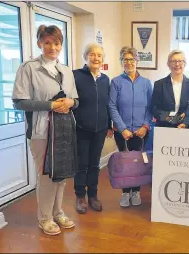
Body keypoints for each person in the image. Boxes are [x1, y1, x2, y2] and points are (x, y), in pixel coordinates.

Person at [12, 25, 78, 235]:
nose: (52, 47)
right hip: (41, 131)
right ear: (39, 43)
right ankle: (45, 218)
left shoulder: (66, 70)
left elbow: (75, 100)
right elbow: (19, 102)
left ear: (61, 45)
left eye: (57, 43)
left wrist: (71, 102)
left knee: (61, 174)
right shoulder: (29, 68)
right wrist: (50, 105)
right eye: (47, 42)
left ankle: (58, 212)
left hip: (64, 129)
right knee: (47, 175)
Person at [108, 46, 153, 208]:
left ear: (137, 61)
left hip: (141, 131)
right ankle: (125, 193)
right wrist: (122, 128)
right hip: (123, 132)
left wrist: (145, 126)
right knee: (125, 162)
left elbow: (151, 107)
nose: (129, 62)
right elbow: (112, 106)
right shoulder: (116, 82)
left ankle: (136, 191)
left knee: (138, 161)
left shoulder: (146, 83)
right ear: (121, 62)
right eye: (125, 59)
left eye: (132, 59)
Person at [73, 43, 113, 214]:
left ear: (102, 59)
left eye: (99, 55)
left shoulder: (105, 79)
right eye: (92, 54)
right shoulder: (76, 76)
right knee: (82, 164)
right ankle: (80, 196)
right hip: (81, 128)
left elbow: (108, 104)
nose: (96, 58)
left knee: (94, 164)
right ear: (86, 56)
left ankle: (93, 195)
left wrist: (109, 125)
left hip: (101, 129)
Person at [151, 50, 189, 128]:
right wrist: (170, 118)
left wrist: (185, 121)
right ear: (168, 64)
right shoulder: (159, 84)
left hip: (185, 127)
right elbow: (154, 109)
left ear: (185, 63)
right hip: (164, 127)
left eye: (180, 61)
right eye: (173, 61)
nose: (177, 64)